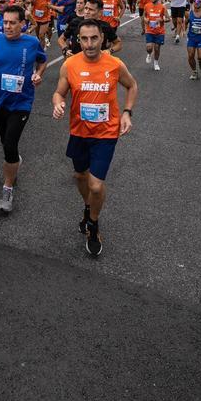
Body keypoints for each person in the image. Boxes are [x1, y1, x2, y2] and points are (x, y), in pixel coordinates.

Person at [52, 20, 138, 257]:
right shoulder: (70, 65)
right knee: (80, 175)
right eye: (84, 39)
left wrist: (127, 113)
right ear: (78, 40)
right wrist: (58, 103)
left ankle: (93, 223)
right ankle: (89, 207)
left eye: (94, 38)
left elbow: (132, 86)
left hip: (106, 133)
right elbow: (59, 92)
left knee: (96, 184)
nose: (89, 44)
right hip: (79, 132)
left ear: (102, 38)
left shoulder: (114, 64)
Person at [0, 3, 46, 215]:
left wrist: (38, 74)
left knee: (9, 143)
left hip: (21, 102)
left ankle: (7, 189)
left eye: (12, 23)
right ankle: (14, 161)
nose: (7, 26)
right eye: (5, 22)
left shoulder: (32, 42)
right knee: (5, 143)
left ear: (23, 24)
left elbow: (41, 62)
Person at [142, 0, 167, 71]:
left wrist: (162, 20)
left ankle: (156, 63)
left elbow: (168, 19)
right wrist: (145, 20)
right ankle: (149, 54)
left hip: (160, 31)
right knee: (149, 47)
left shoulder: (162, 7)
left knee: (156, 48)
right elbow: (144, 16)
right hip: (149, 30)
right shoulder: (147, 6)